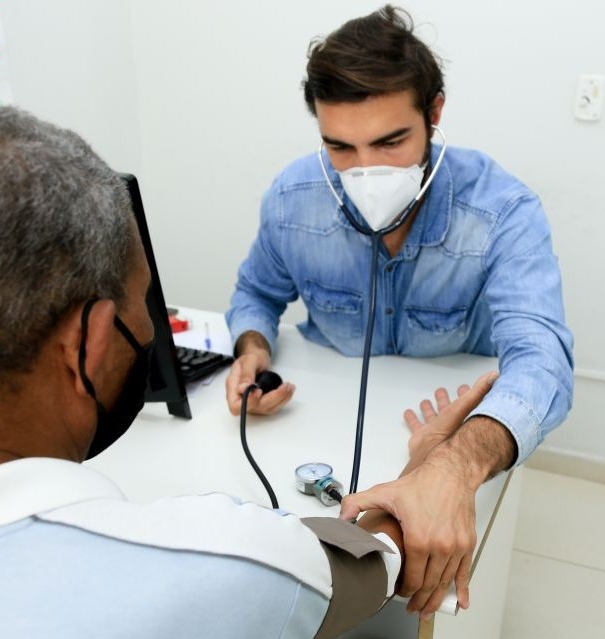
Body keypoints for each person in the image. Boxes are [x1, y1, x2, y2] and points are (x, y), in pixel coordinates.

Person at [0, 105, 495, 637]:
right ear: (90, 342)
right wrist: (415, 481)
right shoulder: (217, 566)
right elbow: (361, 571)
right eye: (143, 310)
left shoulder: (495, 204)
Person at [225, 4, 573, 619]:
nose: (366, 169)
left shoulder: (504, 211)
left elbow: (543, 359)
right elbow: (256, 293)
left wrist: (455, 465)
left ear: (434, 114)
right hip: (316, 419)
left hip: (447, 415)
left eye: (391, 141)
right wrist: (253, 348)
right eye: (340, 146)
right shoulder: (290, 197)